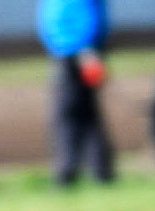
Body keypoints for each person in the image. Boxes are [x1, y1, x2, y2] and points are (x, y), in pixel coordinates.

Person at [37, 0, 115, 186]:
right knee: (86, 112)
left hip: (75, 51)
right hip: (74, 49)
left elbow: (81, 12)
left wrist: (86, 49)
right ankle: (101, 172)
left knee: (67, 113)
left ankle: (67, 174)